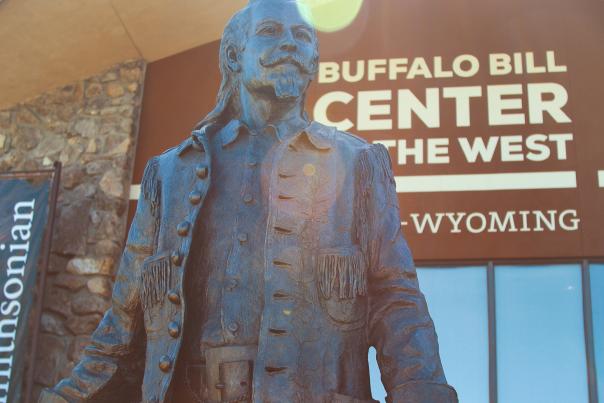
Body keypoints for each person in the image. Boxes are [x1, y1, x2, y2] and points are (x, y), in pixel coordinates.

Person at [40, 0, 458, 402]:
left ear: (313, 62)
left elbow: (395, 301)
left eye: (303, 36)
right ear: (235, 57)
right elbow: (121, 328)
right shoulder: (168, 175)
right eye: (270, 32)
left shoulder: (358, 163)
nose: (291, 44)